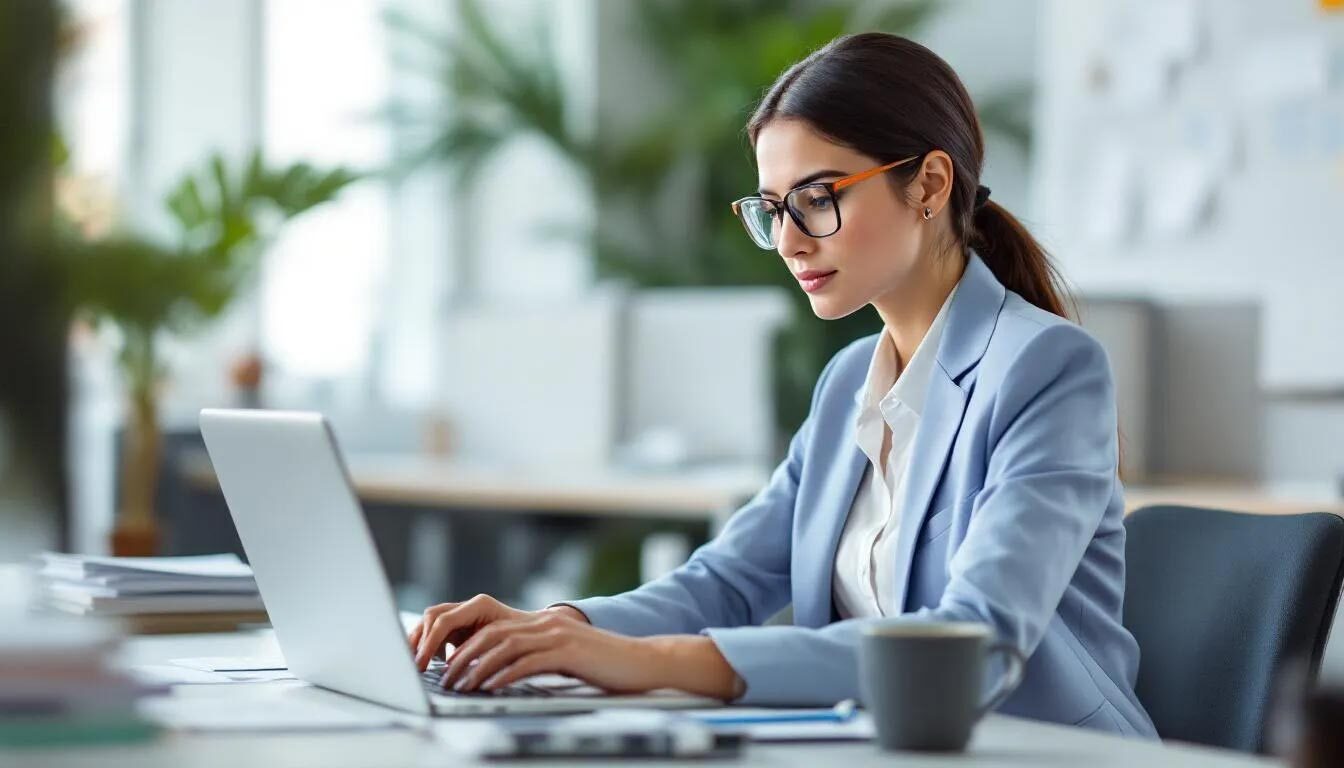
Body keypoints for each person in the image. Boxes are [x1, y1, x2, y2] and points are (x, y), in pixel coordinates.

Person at [407, 32, 1157, 738]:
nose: (791, 240)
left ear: (928, 183)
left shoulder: (1048, 368)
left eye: (819, 197)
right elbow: (728, 581)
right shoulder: (846, 386)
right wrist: (564, 628)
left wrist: (650, 664)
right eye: (774, 210)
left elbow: (975, 644)